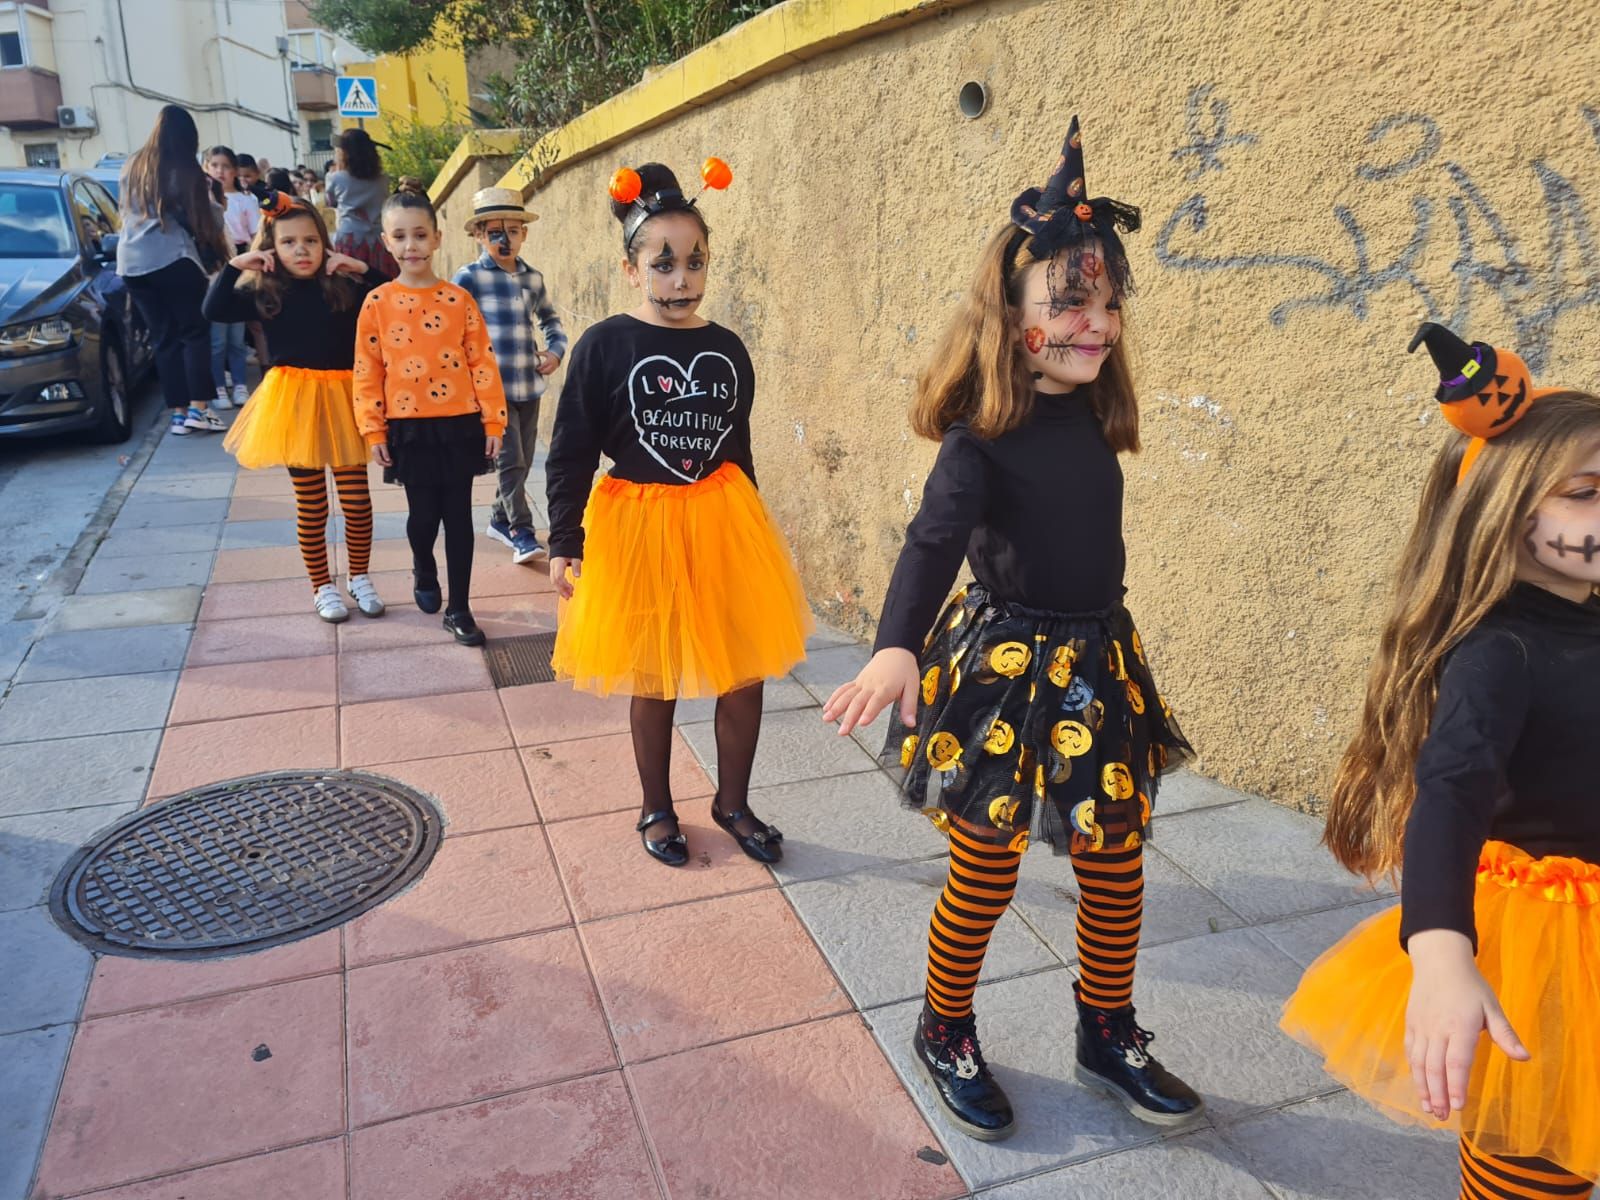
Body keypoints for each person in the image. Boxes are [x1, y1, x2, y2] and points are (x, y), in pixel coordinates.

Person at [821, 118, 1201, 1142]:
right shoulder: (979, 436)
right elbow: (932, 539)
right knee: (985, 865)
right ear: (1011, 313)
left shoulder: (1090, 415)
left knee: (1114, 860)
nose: (1096, 323)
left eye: (1109, 302)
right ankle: (944, 1027)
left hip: (1095, 663)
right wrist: (897, 641)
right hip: (1001, 669)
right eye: (1070, 301)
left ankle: (1105, 1028)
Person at [1281, 325, 1600, 1198]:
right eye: (1586, 493)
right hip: (1544, 949)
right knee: (1539, 1148)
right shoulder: (1501, 653)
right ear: (1509, 513)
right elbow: (1448, 799)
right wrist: (1443, 958)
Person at [544, 158, 811, 869]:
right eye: (662, 264)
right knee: (653, 674)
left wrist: (754, 531)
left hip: (722, 519)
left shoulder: (725, 348)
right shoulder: (605, 345)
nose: (681, 279)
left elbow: (738, 446)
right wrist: (564, 538)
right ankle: (655, 805)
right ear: (631, 268)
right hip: (637, 528)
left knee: (743, 670)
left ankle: (733, 802)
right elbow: (569, 451)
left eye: (694, 262)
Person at [205, 189, 387, 623]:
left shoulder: (343, 286)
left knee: (358, 501)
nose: (300, 250)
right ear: (271, 247)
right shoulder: (268, 291)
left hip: (345, 399)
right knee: (312, 505)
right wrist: (235, 267)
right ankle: (322, 586)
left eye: (309, 240)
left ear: (324, 242)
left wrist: (360, 267)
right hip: (294, 403)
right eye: (288, 242)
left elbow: (392, 299)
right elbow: (213, 309)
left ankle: (359, 576)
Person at [352, 182, 507, 645]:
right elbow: (367, 370)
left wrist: (493, 419)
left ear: (437, 238)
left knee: (458, 516)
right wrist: (373, 428)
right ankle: (423, 566)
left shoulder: (458, 300)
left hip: (459, 424)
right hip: (409, 427)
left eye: (420, 235)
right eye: (399, 236)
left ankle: (459, 608)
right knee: (424, 518)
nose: (410, 245)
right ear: (386, 242)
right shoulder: (377, 303)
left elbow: (482, 360)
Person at [453, 186, 568, 564]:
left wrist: (554, 351)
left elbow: (550, 320)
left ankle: (499, 519)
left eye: (513, 230)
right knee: (511, 460)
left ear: (524, 233)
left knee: (524, 457)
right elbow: (452, 331)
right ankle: (521, 529)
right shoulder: (468, 278)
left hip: (528, 385)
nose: (505, 239)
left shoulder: (532, 278)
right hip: (491, 390)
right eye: (494, 232)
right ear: (479, 235)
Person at [115, 105, 229, 437]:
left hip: (131, 263)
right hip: (171, 257)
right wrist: (216, 206)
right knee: (194, 332)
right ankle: (200, 409)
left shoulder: (133, 164)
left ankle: (178, 415)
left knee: (163, 337)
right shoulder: (184, 168)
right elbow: (207, 220)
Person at [202, 145, 256, 409]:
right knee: (217, 340)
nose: (220, 171)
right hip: (214, 270)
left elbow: (253, 236)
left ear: (234, 171)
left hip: (241, 262)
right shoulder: (201, 204)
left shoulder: (244, 200)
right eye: (215, 166)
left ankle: (240, 384)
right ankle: (218, 388)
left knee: (237, 336)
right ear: (206, 168)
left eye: (225, 167)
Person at [326, 129, 395, 279]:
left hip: (350, 238)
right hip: (379, 239)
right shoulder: (383, 179)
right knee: (381, 281)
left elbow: (330, 202)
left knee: (351, 285)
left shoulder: (335, 178)